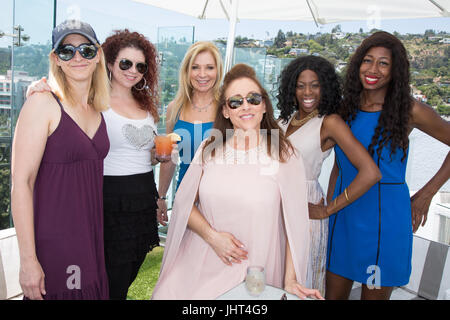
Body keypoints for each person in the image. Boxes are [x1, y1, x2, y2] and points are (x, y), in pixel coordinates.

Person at [152, 63, 323, 300]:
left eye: (253, 99)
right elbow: (183, 203)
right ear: (225, 111)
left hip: (254, 271)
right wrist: (213, 237)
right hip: (201, 260)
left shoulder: (285, 154)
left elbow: (295, 224)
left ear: (264, 105)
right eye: (236, 101)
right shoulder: (209, 148)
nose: (245, 106)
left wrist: (290, 280)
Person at [26, 29, 164, 300]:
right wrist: (38, 86)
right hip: (106, 198)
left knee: (124, 273)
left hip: (142, 198)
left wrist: (157, 157)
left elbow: (139, 149)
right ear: (109, 62)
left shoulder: (146, 106)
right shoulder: (94, 99)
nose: (133, 70)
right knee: (102, 276)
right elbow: (65, 99)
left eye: (140, 66)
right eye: (125, 63)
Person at [326, 31, 450, 300]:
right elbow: (338, 166)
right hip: (343, 215)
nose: (373, 69)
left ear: (396, 71)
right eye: (367, 61)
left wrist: (426, 195)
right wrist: (328, 210)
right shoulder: (344, 109)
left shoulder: (410, 110)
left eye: (383, 63)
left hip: (387, 219)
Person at [11, 20, 110, 300]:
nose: (78, 57)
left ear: (98, 55)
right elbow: (21, 183)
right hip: (54, 244)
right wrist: (28, 260)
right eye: (67, 51)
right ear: (56, 59)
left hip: (91, 240)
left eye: (86, 50)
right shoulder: (42, 104)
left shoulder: (97, 108)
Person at [276, 55, 381, 297]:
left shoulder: (330, 123)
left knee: (298, 284)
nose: (307, 92)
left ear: (326, 87)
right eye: (300, 85)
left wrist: (328, 210)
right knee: (276, 279)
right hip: (276, 205)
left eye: (315, 85)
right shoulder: (285, 120)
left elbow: (371, 172)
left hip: (305, 206)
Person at [157, 41, 223, 217]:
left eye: (209, 67)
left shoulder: (228, 110)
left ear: (218, 71)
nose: (202, 74)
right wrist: (161, 196)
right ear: (187, 71)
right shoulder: (174, 108)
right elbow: (170, 158)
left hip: (220, 201)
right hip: (184, 198)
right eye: (195, 67)